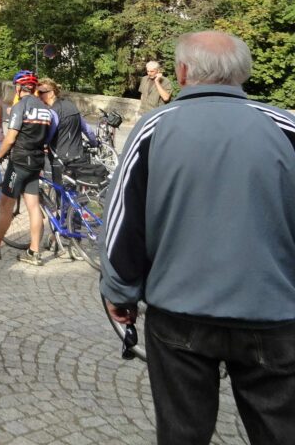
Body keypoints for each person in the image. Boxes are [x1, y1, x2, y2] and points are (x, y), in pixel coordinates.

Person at [102, 31, 295, 445]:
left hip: (179, 312)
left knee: (183, 435)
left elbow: (122, 221)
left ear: (182, 71)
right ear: (243, 73)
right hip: (275, 314)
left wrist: (120, 293)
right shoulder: (287, 127)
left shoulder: (154, 129)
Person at [0, 71, 54, 266]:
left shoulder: (20, 106)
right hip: (37, 161)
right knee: (33, 207)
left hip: (20, 162)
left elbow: (11, 137)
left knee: (6, 205)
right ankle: (34, 252)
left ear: (18, 87)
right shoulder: (44, 108)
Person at [37, 78, 97, 184]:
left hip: (61, 159)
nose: (39, 95)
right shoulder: (71, 105)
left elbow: (48, 137)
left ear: (51, 93)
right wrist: (94, 143)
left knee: (60, 190)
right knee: (75, 187)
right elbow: (87, 129)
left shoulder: (53, 111)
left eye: (41, 92)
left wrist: (41, 144)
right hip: (78, 155)